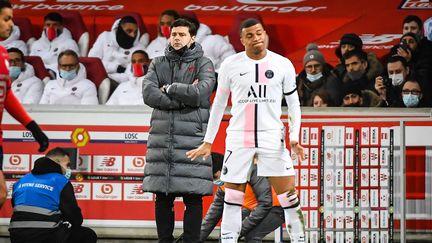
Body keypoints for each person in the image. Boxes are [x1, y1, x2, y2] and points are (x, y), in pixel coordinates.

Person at [186, 18, 306, 242]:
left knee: (290, 200)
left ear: (265, 34)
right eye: (250, 35)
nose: (256, 38)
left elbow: (294, 104)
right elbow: (219, 105)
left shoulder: (283, 64)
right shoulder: (230, 65)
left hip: (272, 139)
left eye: (260, 33)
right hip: (239, 140)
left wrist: (294, 137)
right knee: (231, 199)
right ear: (242, 40)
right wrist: (208, 140)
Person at [141, 18, 216, 243]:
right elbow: (149, 95)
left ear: (192, 38)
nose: (176, 38)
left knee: (193, 197)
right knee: (163, 198)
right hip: (162, 139)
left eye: (182, 35)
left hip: (192, 138)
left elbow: (201, 93)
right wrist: (183, 99)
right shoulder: (157, 63)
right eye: (174, 34)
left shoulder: (204, 63)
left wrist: (171, 88)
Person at [0, 0, 49, 209]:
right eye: (6, 18)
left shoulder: (3, 53)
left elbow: (6, 93)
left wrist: (32, 127)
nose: (11, 24)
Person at [9, 147, 97, 243]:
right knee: (88, 235)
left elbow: (17, 207)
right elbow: (75, 218)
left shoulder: (21, 181)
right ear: (56, 162)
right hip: (47, 236)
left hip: (16, 235)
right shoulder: (60, 181)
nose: (68, 169)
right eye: (67, 165)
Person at [200, 153, 284, 243]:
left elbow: (265, 203)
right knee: (227, 231)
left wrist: (240, 230)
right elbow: (214, 213)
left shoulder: (249, 171)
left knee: (252, 235)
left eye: (215, 177)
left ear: (223, 169)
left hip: (277, 207)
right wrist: (197, 237)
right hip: (254, 209)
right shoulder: (224, 184)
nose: (215, 181)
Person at [88, 16, 145, 84]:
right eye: (129, 31)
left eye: (135, 32)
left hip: (119, 83)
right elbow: (93, 62)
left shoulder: (139, 48)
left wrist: (109, 78)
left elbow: (130, 74)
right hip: (98, 77)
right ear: (119, 29)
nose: (133, 35)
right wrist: (116, 67)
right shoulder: (104, 37)